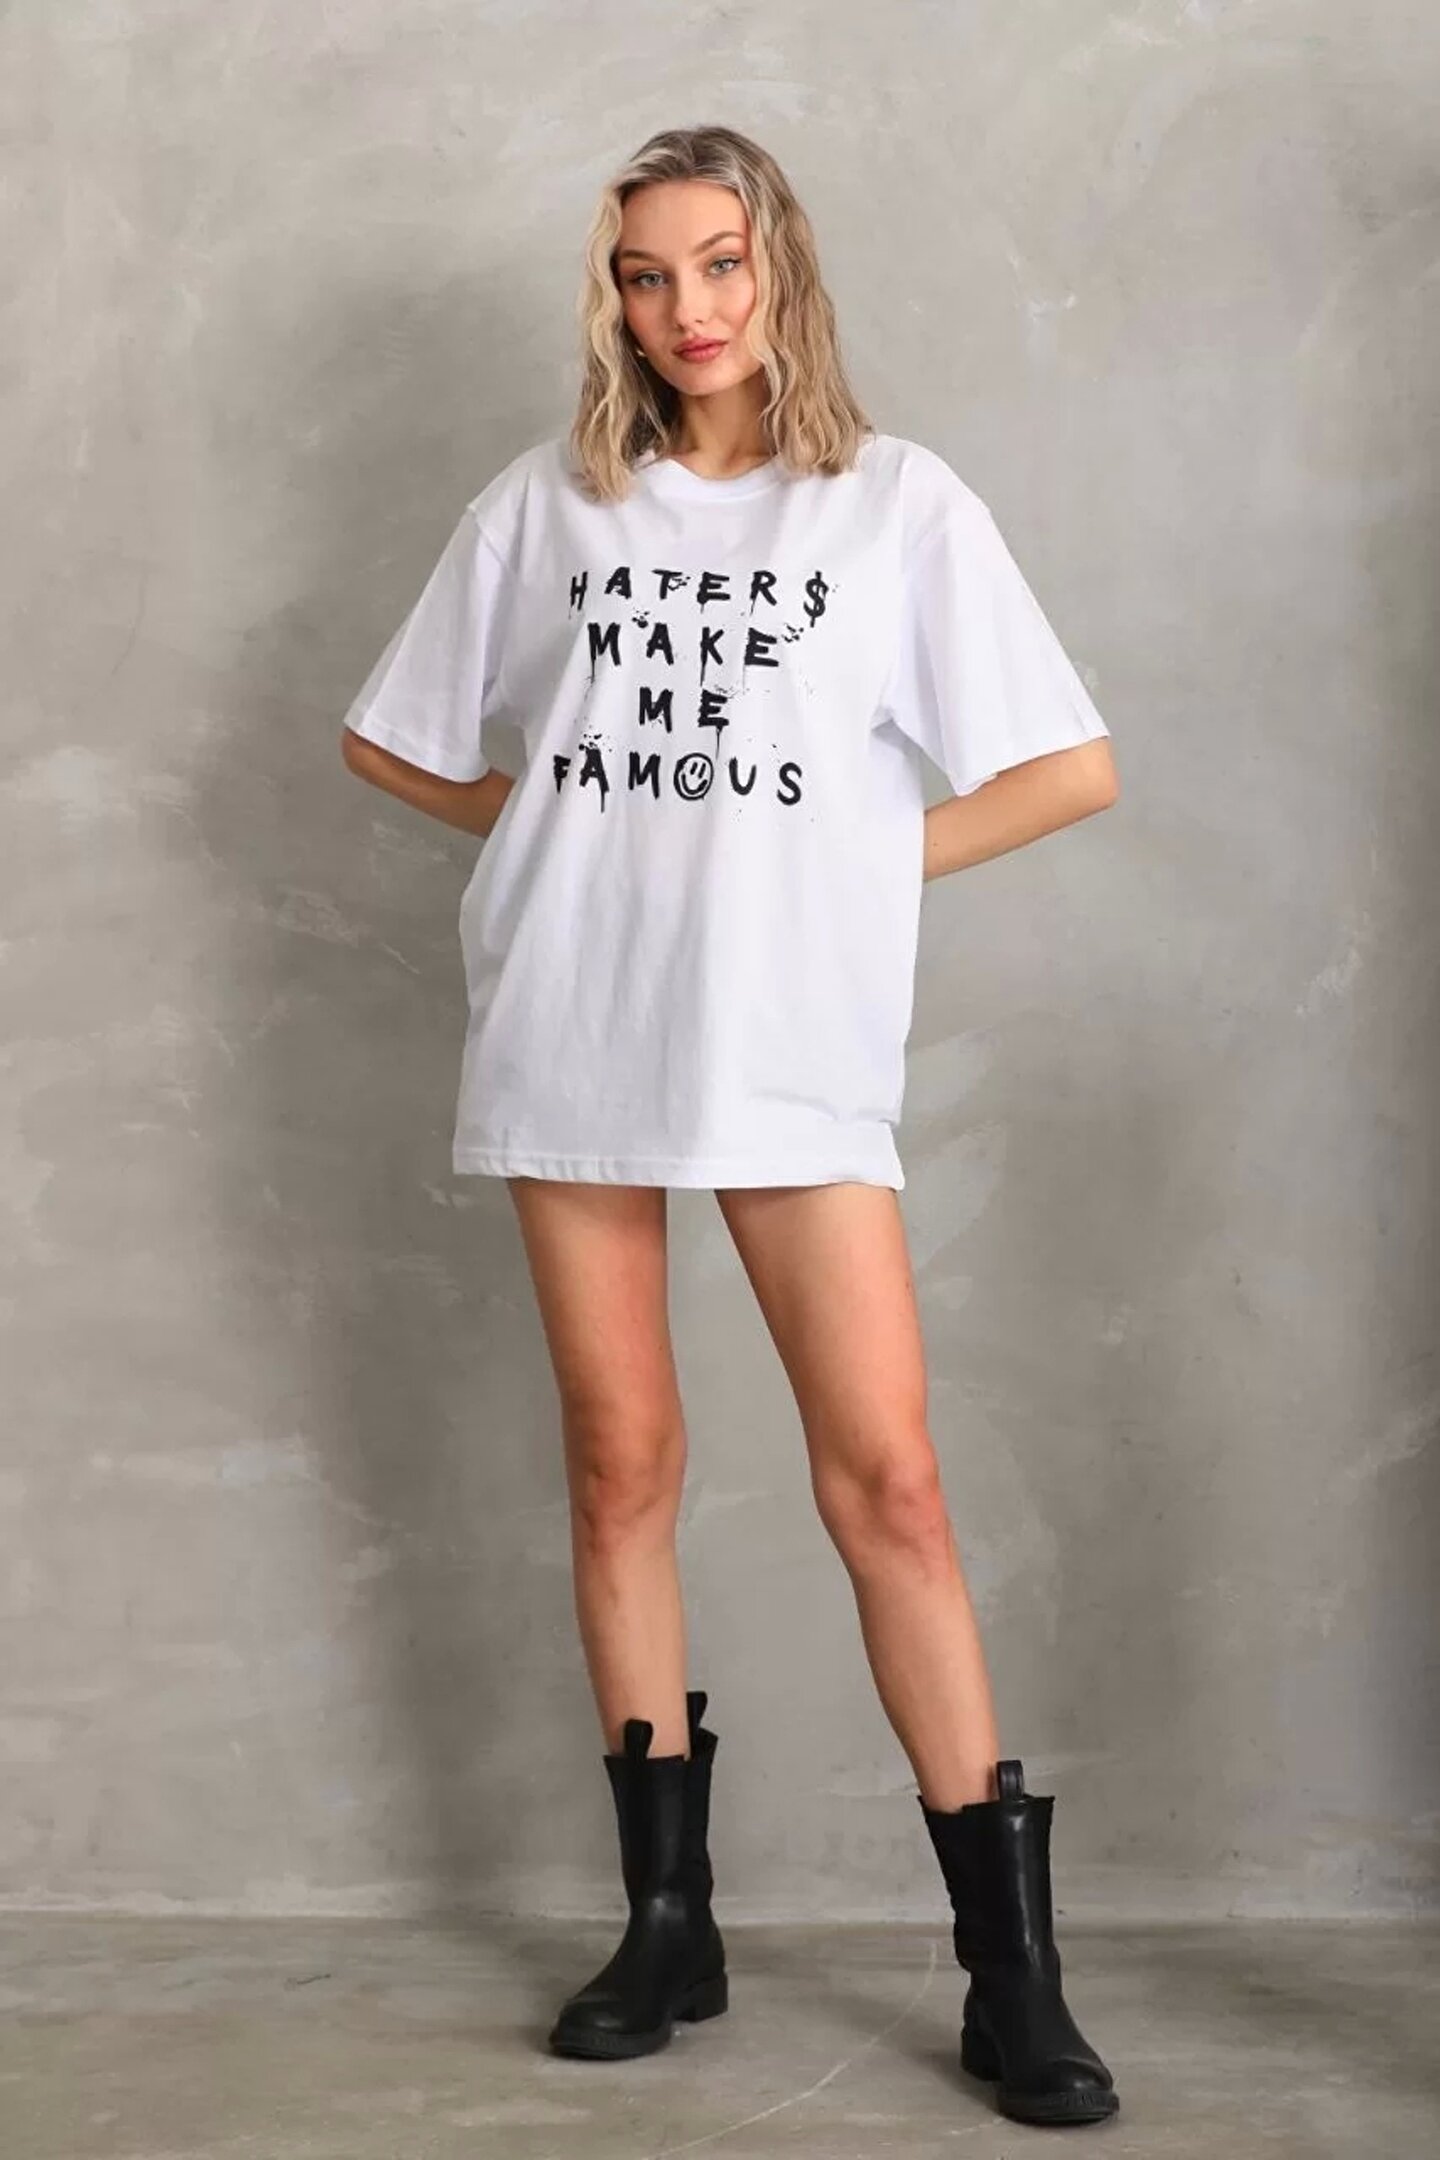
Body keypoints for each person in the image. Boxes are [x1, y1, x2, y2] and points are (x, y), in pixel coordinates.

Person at [340, 124, 1121, 2129]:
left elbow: (1067, 768)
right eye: (644, 273)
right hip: (577, 1027)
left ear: (780, 270)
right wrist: (548, 834)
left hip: (784, 1042)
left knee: (892, 1487)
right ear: (610, 298)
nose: (684, 308)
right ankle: (666, 1924)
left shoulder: (893, 505)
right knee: (622, 1464)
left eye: (718, 263)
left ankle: (1010, 1974)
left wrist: (840, 876)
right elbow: (394, 738)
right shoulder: (552, 504)